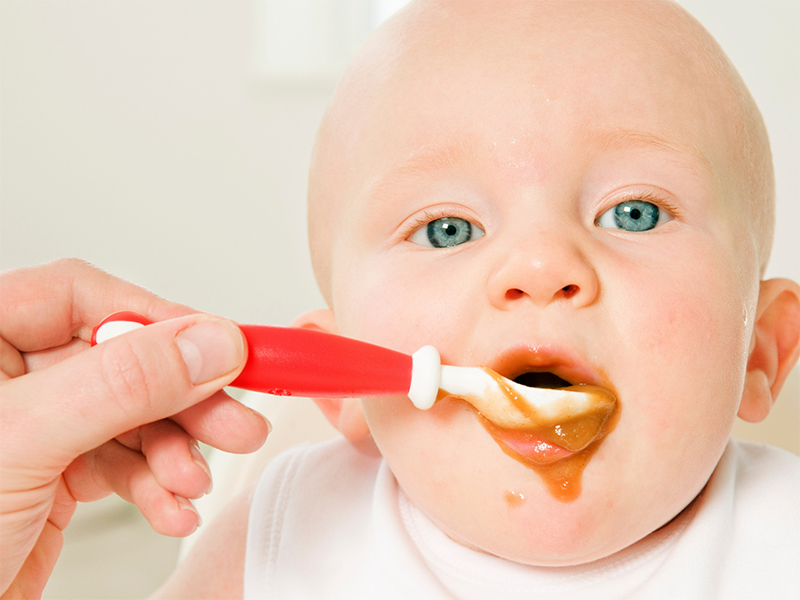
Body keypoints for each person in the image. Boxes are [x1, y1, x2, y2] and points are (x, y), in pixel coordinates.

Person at [3, 1, 800, 598]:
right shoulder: (280, 542)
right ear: (342, 388)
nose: (539, 265)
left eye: (633, 213)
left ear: (759, 352)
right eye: (449, 229)